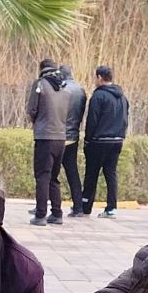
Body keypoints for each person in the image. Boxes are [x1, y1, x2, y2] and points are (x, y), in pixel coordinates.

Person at [80, 65, 129, 218]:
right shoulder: (122, 97)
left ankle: (85, 206)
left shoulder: (98, 96)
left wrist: (88, 140)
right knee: (111, 173)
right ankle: (111, 207)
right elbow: (125, 119)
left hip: (99, 141)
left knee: (91, 174)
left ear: (100, 77)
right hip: (117, 140)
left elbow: (92, 120)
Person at [27, 58, 69, 226]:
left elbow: (32, 109)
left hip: (44, 136)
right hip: (61, 137)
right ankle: (57, 213)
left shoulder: (40, 84)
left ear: (42, 69)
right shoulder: (64, 87)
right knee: (54, 177)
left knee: (42, 176)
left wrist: (36, 122)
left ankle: (40, 215)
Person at [60, 65, 89, 217]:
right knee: (72, 172)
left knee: (49, 174)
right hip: (73, 135)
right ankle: (78, 207)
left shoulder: (61, 89)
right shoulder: (80, 90)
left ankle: (44, 207)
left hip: (58, 135)